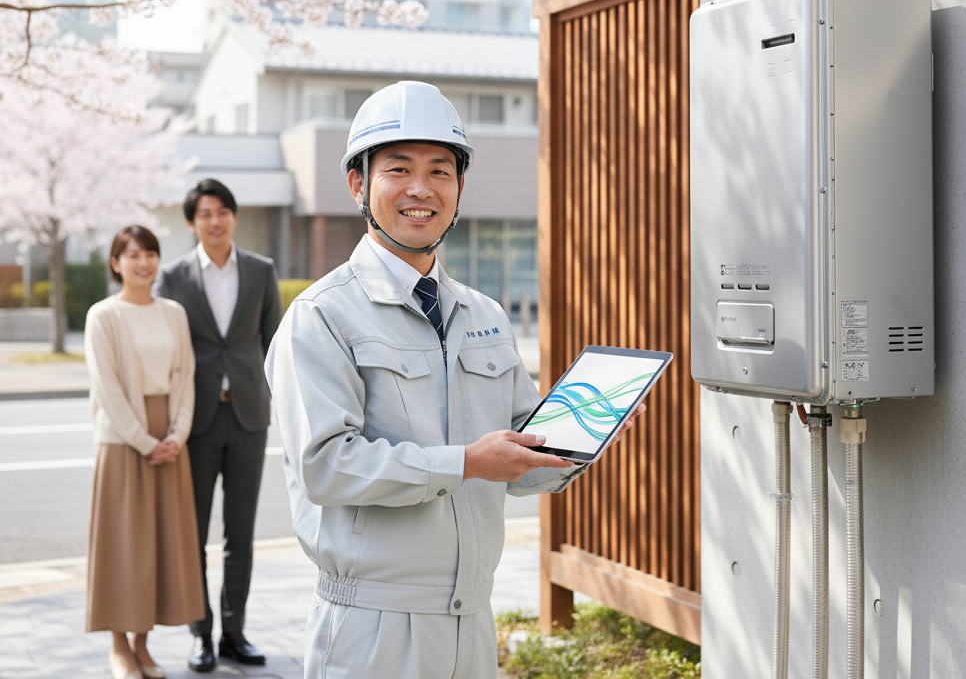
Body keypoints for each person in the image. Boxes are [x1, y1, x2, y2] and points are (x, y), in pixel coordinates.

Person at [266, 80, 644, 679]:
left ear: (460, 188)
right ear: (358, 184)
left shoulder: (484, 314)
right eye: (398, 169)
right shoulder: (321, 317)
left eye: (441, 170)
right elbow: (326, 466)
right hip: (373, 630)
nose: (422, 189)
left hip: (473, 622)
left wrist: (584, 438)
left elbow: (518, 463)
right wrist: (466, 463)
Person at [155, 179, 282, 672]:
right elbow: (167, 352)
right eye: (204, 213)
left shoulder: (260, 270)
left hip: (249, 415)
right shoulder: (173, 276)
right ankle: (200, 635)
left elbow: (274, 344)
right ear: (192, 222)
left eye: (223, 211)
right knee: (194, 533)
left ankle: (234, 632)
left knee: (241, 534)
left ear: (234, 216)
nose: (215, 221)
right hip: (196, 420)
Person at [84, 225, 205, 679]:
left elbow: (185, 376)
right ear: (116, 264)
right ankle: (118, 646)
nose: (143, 263)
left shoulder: (173, 312)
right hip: (122, 441)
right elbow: (108, 388)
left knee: (160, 545)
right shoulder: (103, 315)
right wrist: (145, 441)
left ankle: (142, 644)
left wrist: (177, 434)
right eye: (132, 255)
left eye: (150, 253)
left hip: (170, 441)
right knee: (122, 546)